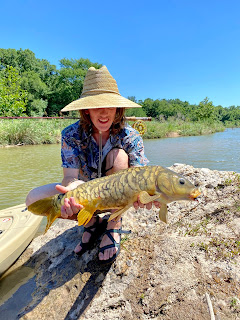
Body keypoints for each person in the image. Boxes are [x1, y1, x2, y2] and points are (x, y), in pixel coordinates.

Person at [26, 66, 159, 265]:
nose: (104, 113)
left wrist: (150, 195)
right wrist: (71, 187)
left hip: (117, 197)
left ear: (118, 109)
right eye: (96, 106)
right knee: (33, 198)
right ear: (86, 109)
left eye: (110, 105)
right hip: (85, 194)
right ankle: (92, 223)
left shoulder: (130, 136)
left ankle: (113, 224)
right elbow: (70, 176)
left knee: (119, 157)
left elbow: (140, 176)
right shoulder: (70, 135)